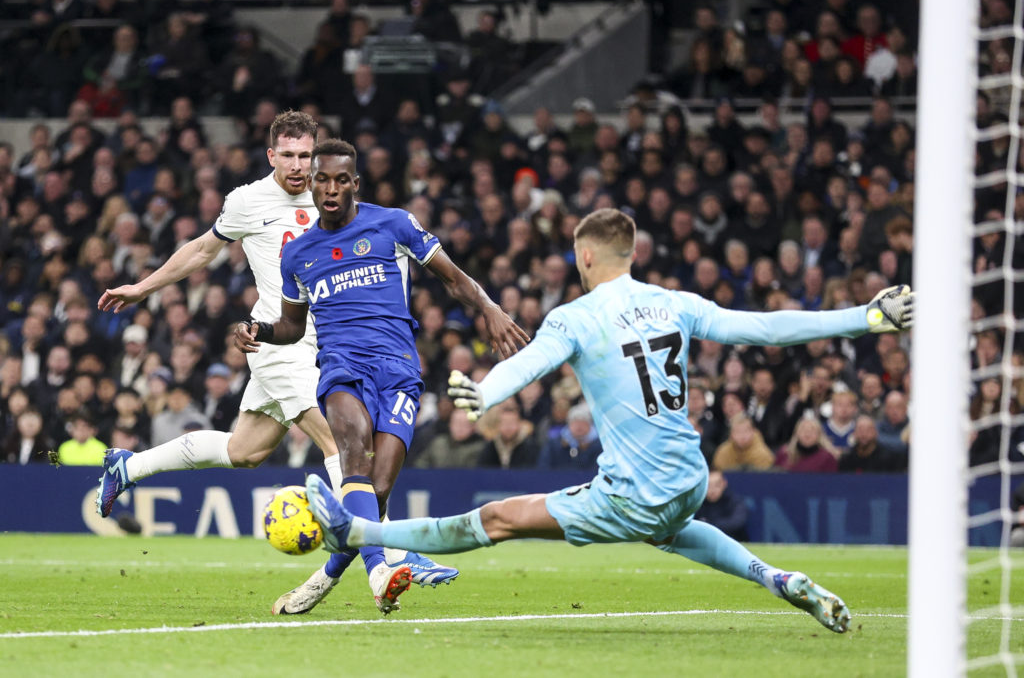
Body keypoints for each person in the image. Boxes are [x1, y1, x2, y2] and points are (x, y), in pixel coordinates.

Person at [302, 208, 914, 633]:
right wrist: (865, 317)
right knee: (671, 525)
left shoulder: (577, 316)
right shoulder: (674, 302)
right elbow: (765, 328)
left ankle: (357, 535)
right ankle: (777, 578)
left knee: (496, 519)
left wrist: (485, 394)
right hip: (689, 476)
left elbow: (532, 363)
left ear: (586, 255)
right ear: (633, 254)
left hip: (633, 493)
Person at [94, 111, 457, 614]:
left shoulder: (334, 199)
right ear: (271, 156)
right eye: (287, 155)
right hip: (276, 347)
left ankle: (127, 466)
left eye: (305, 155)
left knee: (245, 451)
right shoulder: (247, 201)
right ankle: (386, 559)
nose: (298, 165)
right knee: (343, 444)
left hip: (331, 346)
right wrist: (143, 287)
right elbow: (201, 251)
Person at [235, 139, 529, 615]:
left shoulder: (393, 224)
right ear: (310, 184)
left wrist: (490, 308)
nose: (330, 189)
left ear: (355, 184)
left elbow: (453, 278)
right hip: (341, 367)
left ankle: (326, 576)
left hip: (398, 369)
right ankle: (380, 573)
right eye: (321, 179)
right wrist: (257, 329)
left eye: (340, 180)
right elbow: (291, 327)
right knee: (354, 457)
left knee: (376, 491)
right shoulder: (299, 255)